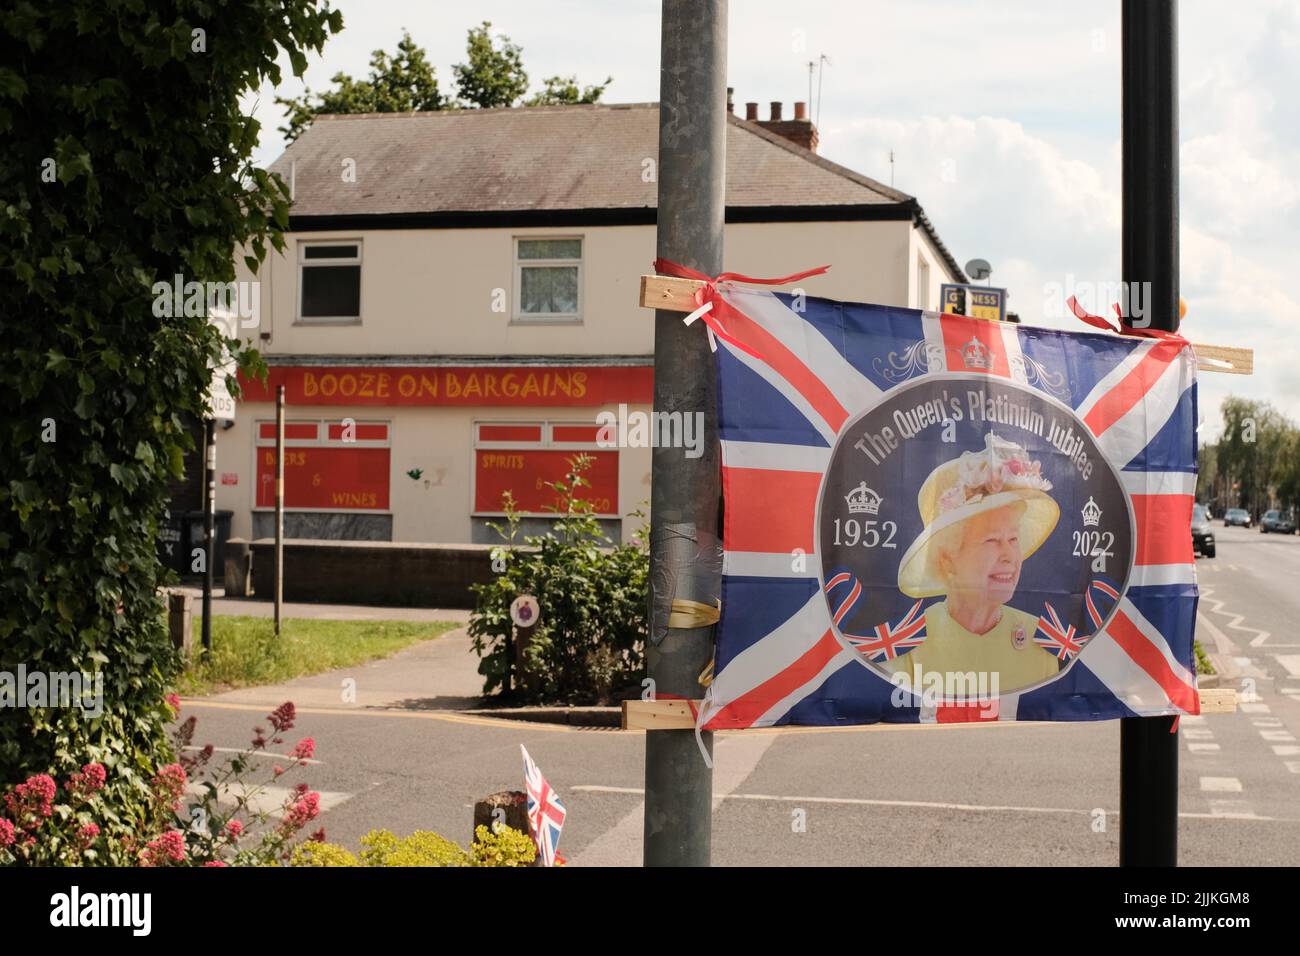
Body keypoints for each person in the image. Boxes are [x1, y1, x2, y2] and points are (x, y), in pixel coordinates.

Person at [886, 433, 1062, 694]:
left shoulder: (1042, 641)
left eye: (1013, 538)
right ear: (947, 560)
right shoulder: (908, 645)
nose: (1009, 555)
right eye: (991, 540)